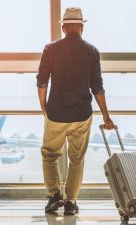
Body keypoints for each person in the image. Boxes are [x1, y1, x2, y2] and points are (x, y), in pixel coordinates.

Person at [36, 7, 114, 215]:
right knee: (77, 159)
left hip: (56, 114)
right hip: (81, 115)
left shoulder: (50, 49)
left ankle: (54, 197)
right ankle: (71, 202)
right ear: (81, 28)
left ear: (63, 27)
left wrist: (44, 108)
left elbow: (42, 81)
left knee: (50, 155)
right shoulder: (92, 51)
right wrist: (106, 115)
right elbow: (97, 86)